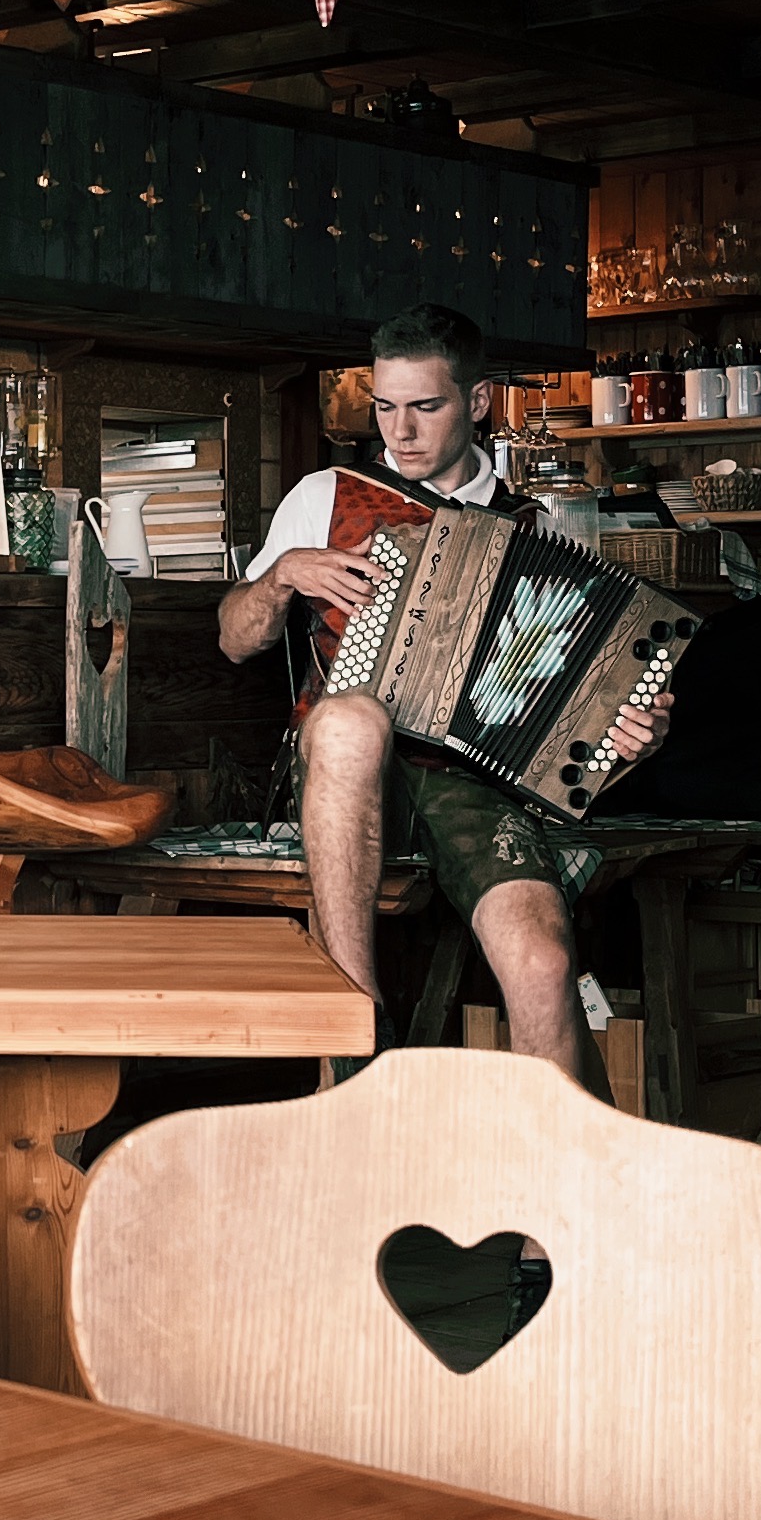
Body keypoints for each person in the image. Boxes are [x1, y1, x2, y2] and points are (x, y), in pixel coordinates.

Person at [216, 303, 661, 1090]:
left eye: (426, 406)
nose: (401, 432)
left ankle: (567, 1195)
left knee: (542, 959)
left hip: (469, 780)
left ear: (479, 401)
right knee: (352, 719)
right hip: (334, 772)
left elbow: (586, 706)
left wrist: (633, 730)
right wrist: (281, 575)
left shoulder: (538, 525)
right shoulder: (325, 494)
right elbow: (234, 638)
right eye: (386, 408)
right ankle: (354, 1031)